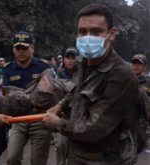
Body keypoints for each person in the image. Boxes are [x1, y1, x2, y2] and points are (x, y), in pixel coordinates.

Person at [43, 3, 139, 164]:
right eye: (82, 32)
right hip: (77, 154)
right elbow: (76, 90)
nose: (88, 38)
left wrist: (58, 124)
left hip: (107, 159)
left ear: (112, 33)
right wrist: (61, 105)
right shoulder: (83, 63)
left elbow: (95, 129)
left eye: (96, 31)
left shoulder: (122, 75)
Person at [2, 31, 51, 165]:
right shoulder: (8, 69)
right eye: (18, 48)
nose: (21, 51)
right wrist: (33, 96)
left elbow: (48, 95)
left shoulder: (44, 67)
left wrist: (20, 95)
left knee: (38, 161)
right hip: (18, 120)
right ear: (13, 50)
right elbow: (7, 95)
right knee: (12, 158)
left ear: (32, 48)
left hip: (40, 120)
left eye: (25, 47)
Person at [55, 47, 78, 165]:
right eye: (67, 58)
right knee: (60, 145)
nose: (70, 60)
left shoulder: (83, 73)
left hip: (79, 116)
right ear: (63, 59)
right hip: (63, 115)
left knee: (77, 148)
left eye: (73, 58)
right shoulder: (59, 74)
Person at [131, 53, 150, 154]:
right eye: (134, 63)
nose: (136, 65)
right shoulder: (125, 79)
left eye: (139, 63)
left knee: (135, 152)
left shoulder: (148, 82)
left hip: (140, 125)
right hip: (124, 123)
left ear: (144, 66)